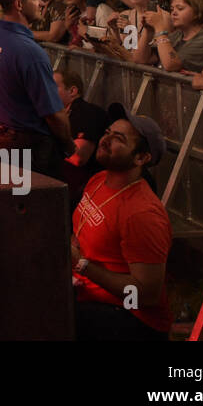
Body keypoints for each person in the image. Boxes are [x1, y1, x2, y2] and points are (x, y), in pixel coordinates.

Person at [71, 116, 172, 341]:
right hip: (85, 294)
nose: (105, 140)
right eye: (107, 132)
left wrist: (81, 264)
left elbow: (145, 296)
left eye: (118, 139)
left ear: (141, 158)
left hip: (130, 318)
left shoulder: (142, 214)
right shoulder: (98, 179)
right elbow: (80, 235)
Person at [0, 0, 74, 180]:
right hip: (31, 149)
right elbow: (53, 113)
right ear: (19, 4)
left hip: (6, 139)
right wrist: (68, 143)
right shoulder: (29, 52)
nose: (41, 3)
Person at [54, 68, 115, 203]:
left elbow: (78, 157)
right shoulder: (60, 114)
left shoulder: (87, 112)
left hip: (89, 191)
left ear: (72, 91)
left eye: (53, 86)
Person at [138, 0, 203, 74]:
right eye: (172, 9)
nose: (173, 13)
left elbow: (171, 65)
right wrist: (148, 31)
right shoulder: (177, 35)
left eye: (180, 8)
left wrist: (159, 28)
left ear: (197, 12)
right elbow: (141, 59)